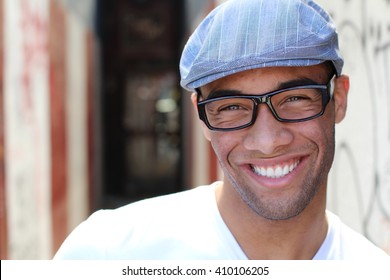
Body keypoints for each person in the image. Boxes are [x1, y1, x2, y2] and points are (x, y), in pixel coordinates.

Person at [54, 0, 389, 259]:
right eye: (232, 107)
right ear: (201, 118)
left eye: (295, 98)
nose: (268, 141)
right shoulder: (107, 254)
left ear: (339, 99)